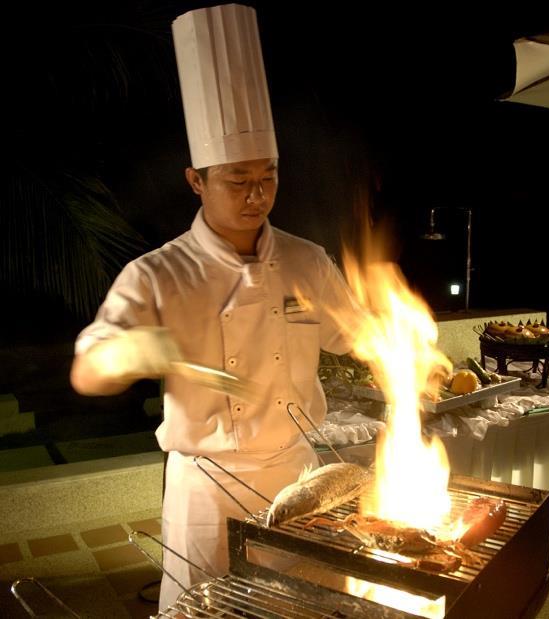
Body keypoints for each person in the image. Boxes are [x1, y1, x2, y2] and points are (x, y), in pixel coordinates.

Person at [70, 4, 356, 611]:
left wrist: (405, 352)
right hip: (206, 484)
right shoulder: (156, 273)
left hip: (296, 472)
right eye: (236, 179)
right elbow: (88, 368)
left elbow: (356, 335)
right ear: (195, 180)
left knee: (302, 606)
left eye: (269, 176)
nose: (258, 195)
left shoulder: (307, 262)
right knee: (203, 610)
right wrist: (128, 351)